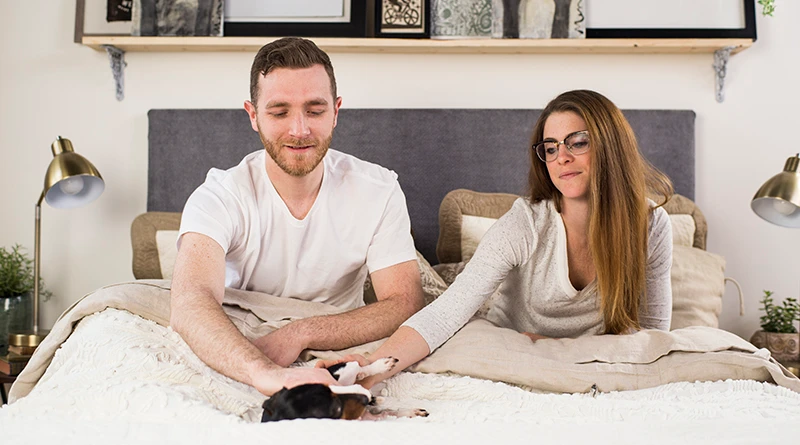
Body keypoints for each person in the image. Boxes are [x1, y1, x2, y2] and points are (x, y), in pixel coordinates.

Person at [318, 89, 675, 387]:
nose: (562, 157)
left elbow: (654, 336)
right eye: (550, 148)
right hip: (513, 353)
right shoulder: (524, 224)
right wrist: (370, 365)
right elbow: (446, 313)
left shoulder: (652, 225)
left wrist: (563, 346)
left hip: (594, 362)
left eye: (577, 142)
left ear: (611, 146)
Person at [170, 37, 425, 397]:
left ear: (336, 111)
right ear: (253, 115)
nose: (299, 130)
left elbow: (404, 303)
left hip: (337, 346)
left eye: (315, 110)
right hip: (243, 346)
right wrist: (264, 372)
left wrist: (301, 332)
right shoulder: (220, 196)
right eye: (279, 112)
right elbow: (189, 302)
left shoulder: (378, 189)